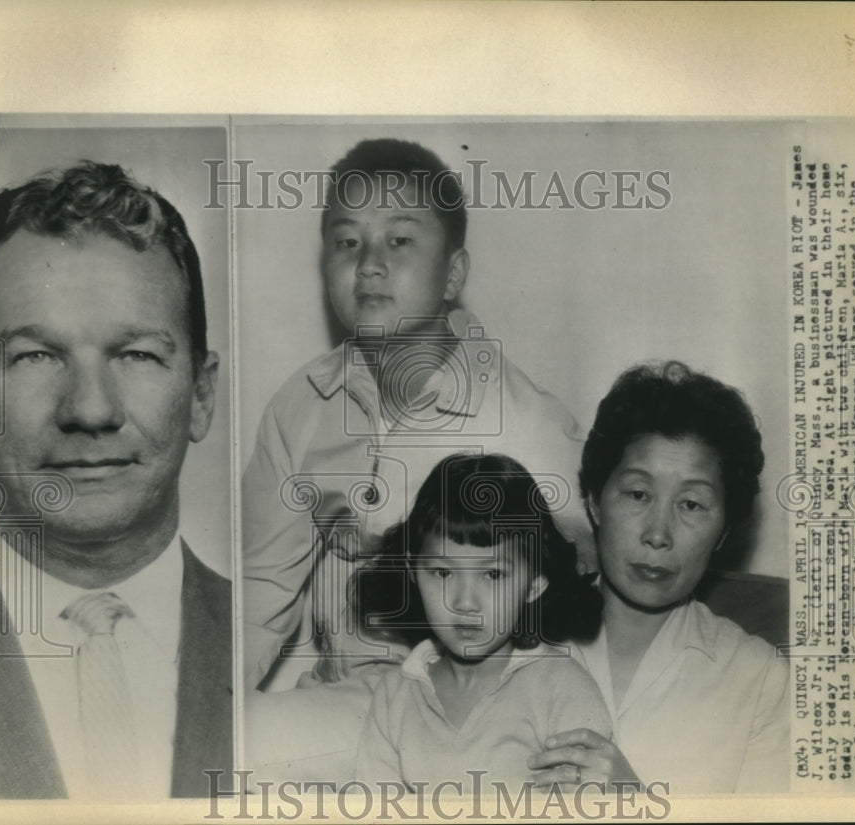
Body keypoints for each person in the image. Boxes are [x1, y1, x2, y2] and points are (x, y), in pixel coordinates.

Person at [242, 139, 592, 778]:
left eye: (400, 241)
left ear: (453, 274)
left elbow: (583, 609)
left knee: (238, 748)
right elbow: (257, 594)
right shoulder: (301, 406)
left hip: (469, 715)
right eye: (347, 242)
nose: (369, 265)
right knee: (199, 734)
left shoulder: (529, 425)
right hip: (344, 699)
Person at [0, 161, 230, 800]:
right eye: (36, 356)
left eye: (136, 354)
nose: (91, 410)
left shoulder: (287, 647)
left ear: (201, 396)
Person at [528, 361, 789, 794]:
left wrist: (640, 807)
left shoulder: (761, 682)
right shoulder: (510, 637)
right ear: (594, 502)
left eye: (691, 505)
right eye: (637, 494)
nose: (657, 534)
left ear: (724, 530)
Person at [354, 453, 609, 793]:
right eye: (443, 573)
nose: (464, 602)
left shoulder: (561, 688)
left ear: (535, 583)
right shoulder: (395, 695)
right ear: (413, 572)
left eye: (492, 574)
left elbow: (591, 804)